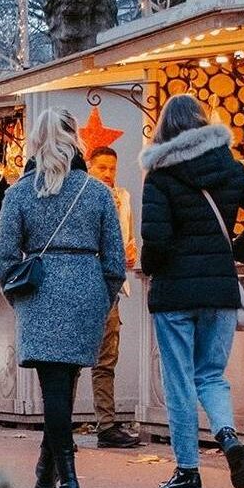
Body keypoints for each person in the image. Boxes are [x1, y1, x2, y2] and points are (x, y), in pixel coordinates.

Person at [140, 94, 244, 488]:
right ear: (202, 124)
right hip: (220, 290)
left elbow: (158, 240)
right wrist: (235, 252)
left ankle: (187, 471)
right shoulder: (228, 167)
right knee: (211, 374)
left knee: (179, 380)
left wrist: (151, 267)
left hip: (174, 294)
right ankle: (228, 436)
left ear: (165, 129)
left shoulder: (161, 176)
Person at [0, 109, 125, 488]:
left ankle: (69, 485)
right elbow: (115, 262)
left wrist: (20, 299)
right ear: (76, 141)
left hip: (40, 291)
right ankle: (46, 469)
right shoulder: (98, 192)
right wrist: (101, 300)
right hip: (86, 290)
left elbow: (3, 258)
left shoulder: (19, 193)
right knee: (64, 382)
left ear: (36, 142)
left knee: (55, 386)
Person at [81, 145, 139, 448]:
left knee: (106, 359)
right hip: (83, 287)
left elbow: (128, 241)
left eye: (112, 168)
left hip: (111, 288)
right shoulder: (80, 198)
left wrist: (129, 253)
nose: (107, 173)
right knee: (74, 357)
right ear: (89, 166)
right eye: (101, 167)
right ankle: (61, 427)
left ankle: (106, 424)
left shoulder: (123, 199)